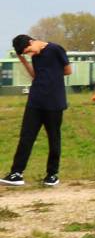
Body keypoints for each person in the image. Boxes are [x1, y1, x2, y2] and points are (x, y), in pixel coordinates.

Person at [5, 34, 70, 187]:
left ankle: (52, 175)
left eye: (27, 51)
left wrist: (52, 76)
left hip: (54, 103)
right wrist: (23, 60)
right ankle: (16, 173)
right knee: (26, 137)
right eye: (26, 53)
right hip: (35, 102)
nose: (29, 54)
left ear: (31, 42)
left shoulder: (55, 49)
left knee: (54, 139)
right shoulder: (34, 56)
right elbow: (35, 75)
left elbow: (68, 70)